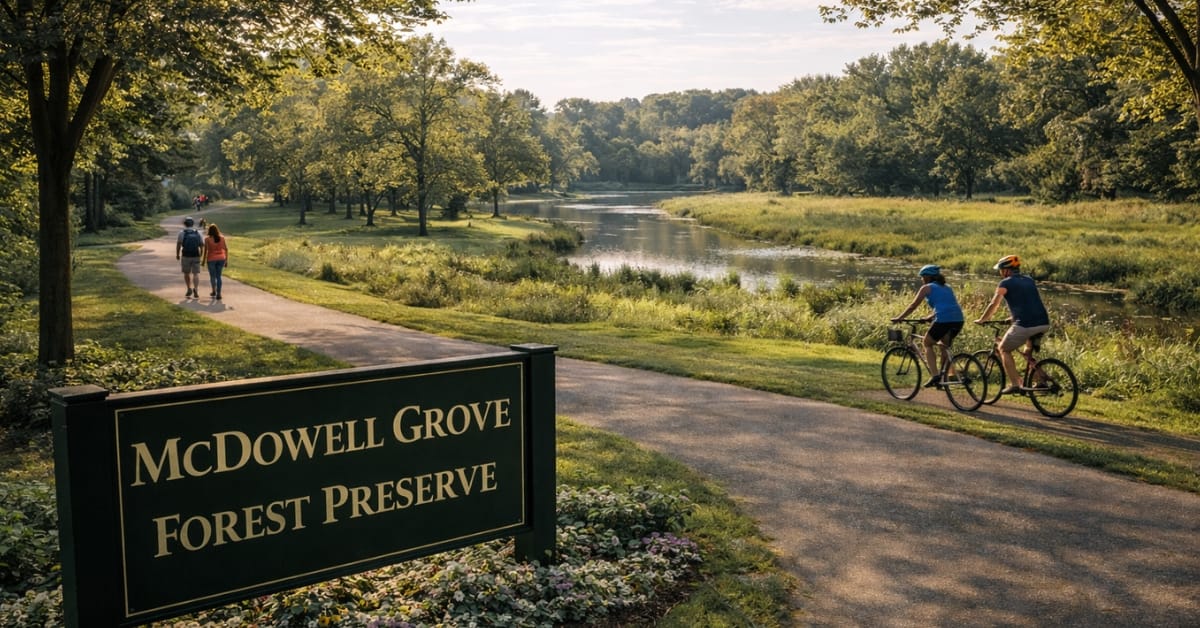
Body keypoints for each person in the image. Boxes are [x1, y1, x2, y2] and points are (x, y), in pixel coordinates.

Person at [974, 254, 1050, 395]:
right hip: (1043, 323)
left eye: (1001, 270)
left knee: (1003, 349)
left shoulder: (1005, 283)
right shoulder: (1029, 280)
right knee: (1027, 353)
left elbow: (994, 304)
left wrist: (982, 319)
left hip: (1026, 325)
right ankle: (1041, 381)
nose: (1000, 273)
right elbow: (1028, 303)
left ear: (1007, 270)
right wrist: (1012, 318)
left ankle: (1015, 384)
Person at [892, 264, 966, 387]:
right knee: (944, 347)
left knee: (927, 343)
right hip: (958, 320)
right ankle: (944, 378)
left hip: (943, 320)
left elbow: (913, 305)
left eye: (922, 277)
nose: (922, 280)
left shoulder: (926, 288)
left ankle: (935, 376)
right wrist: (930, 317)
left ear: (927, 277)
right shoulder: (947, 287)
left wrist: (900, 318)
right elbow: (946, 305)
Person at [175, 217, 205, 299]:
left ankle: (189, 288)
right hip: (196, 255)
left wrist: (177, 254)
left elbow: (179, 245)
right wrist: (201, 254)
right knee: (195, 274)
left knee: (186, 273)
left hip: (185, 255)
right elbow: (202, 245)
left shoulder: (182, 233)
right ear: (192, 224)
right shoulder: (198, 232)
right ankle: (196, 289)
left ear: (185, 224)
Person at [202, 223, 229, 300]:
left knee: (212, 276)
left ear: (209, 231)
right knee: (219, 276)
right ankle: (219, 293)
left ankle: (213, 291)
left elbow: (206, 251)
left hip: (211, 259)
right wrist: (226, 260)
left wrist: (203, 261)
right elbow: (226, 249)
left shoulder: (207, 239)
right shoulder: (222, 238)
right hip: (221, 258)